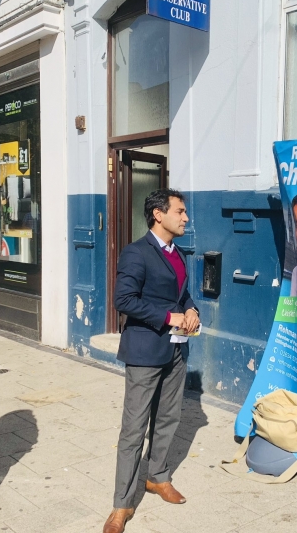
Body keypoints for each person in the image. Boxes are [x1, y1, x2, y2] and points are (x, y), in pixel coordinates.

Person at [104, 189, 200, 533]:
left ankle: (157, 477)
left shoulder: (178, 254)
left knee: (169, 418)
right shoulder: (136, 253)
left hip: (176, 351)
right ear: (158, 215)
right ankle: (121, 505)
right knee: (133, 429)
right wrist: (169, 317)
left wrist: (190, 309)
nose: (185, 217)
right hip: (145, 351)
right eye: (180, 211)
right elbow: (123, 299)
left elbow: (182, 293)